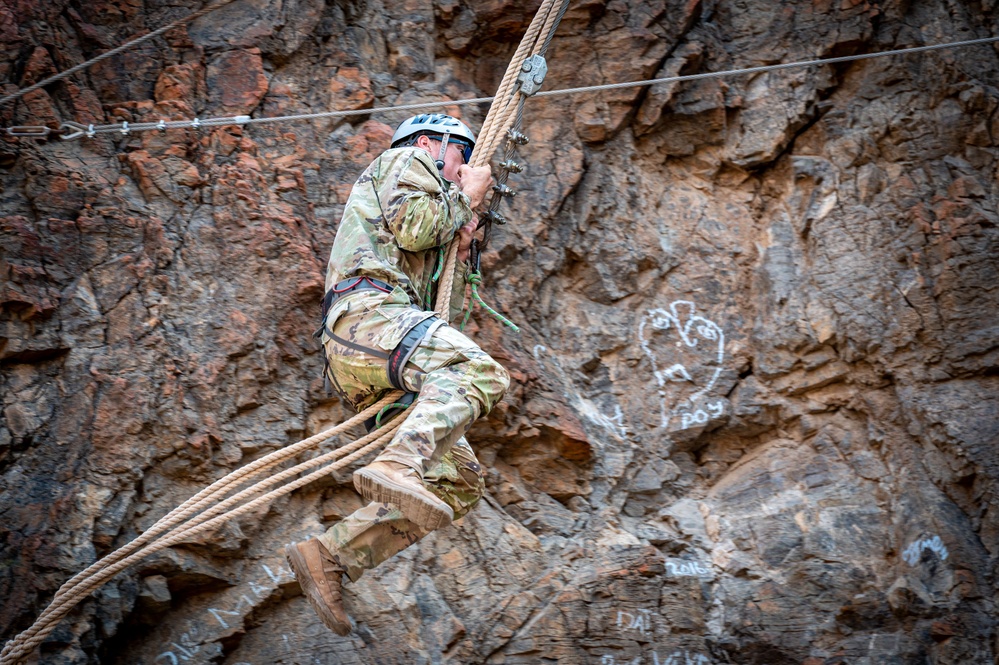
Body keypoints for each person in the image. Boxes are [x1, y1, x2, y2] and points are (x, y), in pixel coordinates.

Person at [285, 114, 511, 635]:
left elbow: (441, 318)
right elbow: (415, 226)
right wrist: (465, 200)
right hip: (367, 317)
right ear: (433, 144)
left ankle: (330, 558)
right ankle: (399, 462)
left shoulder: (437, 204)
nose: (466, 172)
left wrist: (460, 245)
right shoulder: (404, 159)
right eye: (462, 160)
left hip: (384, 343)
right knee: (476, 368)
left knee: (457, 483)